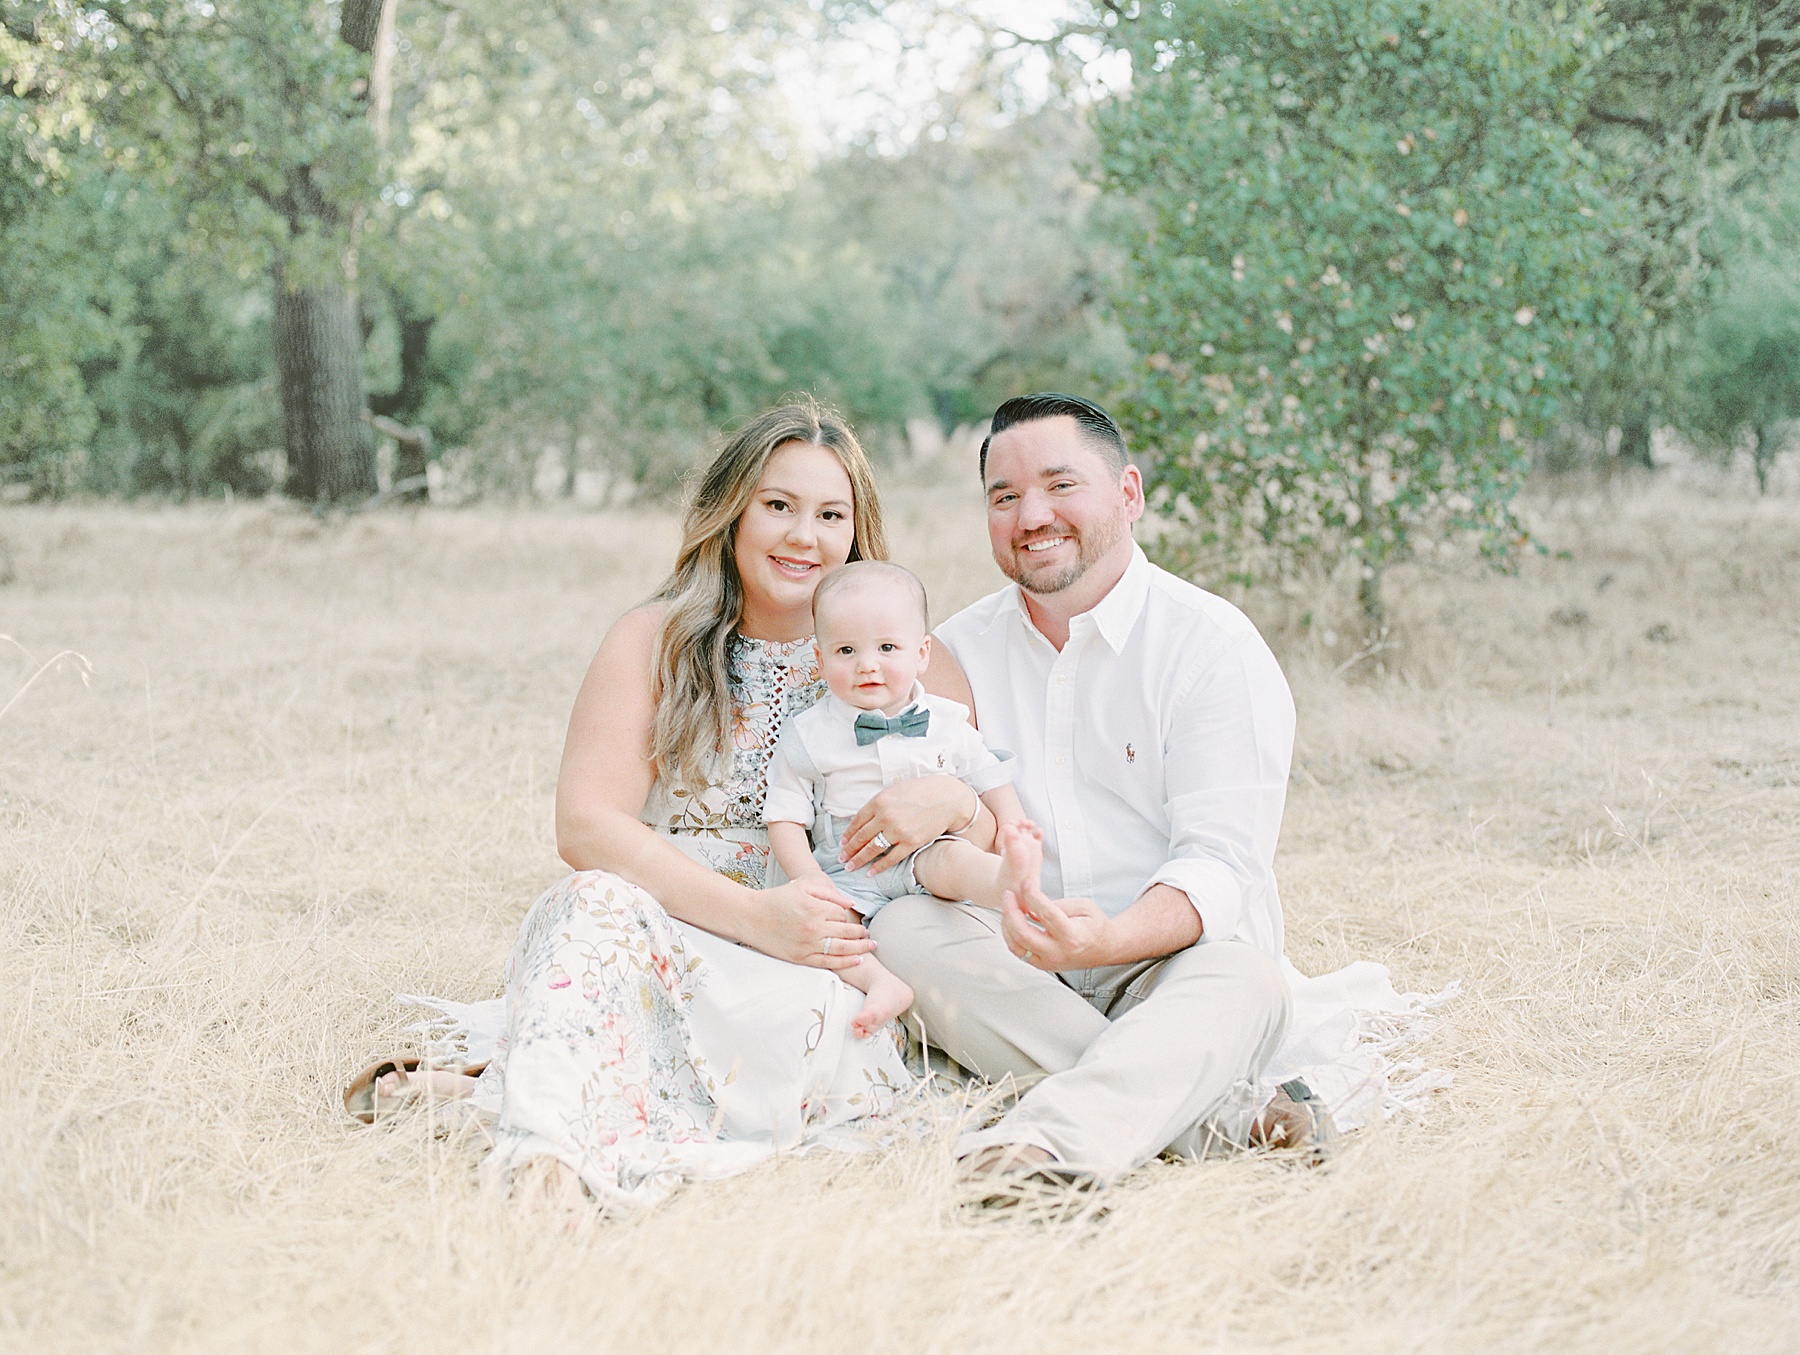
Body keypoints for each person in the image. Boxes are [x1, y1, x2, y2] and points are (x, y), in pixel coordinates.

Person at [350, 400, 991, 1212]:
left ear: (857, 531)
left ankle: (484, 1091)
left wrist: (957, 799)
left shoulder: (906, 656)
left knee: (821, 1041)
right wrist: (755, 915)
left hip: (823, 941)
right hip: (670, 920)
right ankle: (542, 1167)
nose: (804, 536)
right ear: (731, 511)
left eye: (831, 514)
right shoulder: (654, 639)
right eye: (779, 506)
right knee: (590, 906)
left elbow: (991, 823)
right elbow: (585, 825)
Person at [870, 392, 1326, 1186]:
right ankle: (1214, 1117)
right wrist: (961, 821)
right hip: (1019, 966)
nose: (1031, 514)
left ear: (1129, 493)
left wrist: (1107, 942)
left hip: (1171, 966)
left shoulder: (1211, 646)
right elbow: (939, 844)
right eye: (1003, 496)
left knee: (1247, 977)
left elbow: (1219, 866)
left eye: (1060, 485)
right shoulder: (954, 652)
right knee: (905, 929)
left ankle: (1044, 1149)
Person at [762, 560, 1032, 1037]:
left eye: (887, 647)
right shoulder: (809, 735)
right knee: (825, 931)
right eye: (846, 650)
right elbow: (785, 814)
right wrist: (808, 880)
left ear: (922, 652)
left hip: (925, 853)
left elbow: (988, 772)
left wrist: (1012, 828)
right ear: (820, 660)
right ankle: (881, 983)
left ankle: (1007, 881)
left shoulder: (948, 720)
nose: (868, 664)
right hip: (849, 872)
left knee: (952, 859)